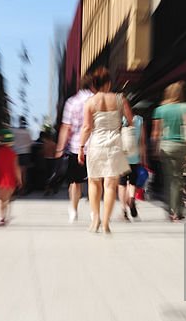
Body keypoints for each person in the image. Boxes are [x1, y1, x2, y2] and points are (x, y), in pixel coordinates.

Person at [78, 67, 132, 233]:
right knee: (110, 185)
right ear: (108, 83)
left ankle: (95, 220)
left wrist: (81, 147)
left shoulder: (90, 102)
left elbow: (87, 127)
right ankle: (107, 222)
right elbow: (130, 121)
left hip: (96, 144)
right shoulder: (120, 99)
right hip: (115, 144)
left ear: (94, 84)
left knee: (94, 182)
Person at [152, 82, 186, 222]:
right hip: (181, 146)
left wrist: (155, 148)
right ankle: (178, 210)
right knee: (178, 179)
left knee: (170, 179)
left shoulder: (160, 110)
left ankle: (173, 210)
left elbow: (156, 132)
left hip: (166, 146)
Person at [55, 73, 95, 222]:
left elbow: (66, 127)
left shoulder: (71, 102)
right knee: (94, 180)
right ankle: (93, 211)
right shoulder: (97, 101)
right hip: (94, 146)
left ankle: (73, 209)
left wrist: (59, 148)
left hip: (75, 147)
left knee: (75, 182)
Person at [118, 104, 147, 221]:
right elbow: (142, 141)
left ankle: (124, 210)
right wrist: (144, 158)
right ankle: (131, 198)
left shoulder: (121, 120)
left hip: (122, 156)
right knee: (132, 182)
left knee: (122, 184)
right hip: (135, 156)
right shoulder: (140, 120)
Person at [0, 129, 21, 225]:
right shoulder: (13, 154)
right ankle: (4, 217)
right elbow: (16, 168)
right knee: (6, 200)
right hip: (10, 181)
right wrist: (19, 179)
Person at [12, 116, 33, 193]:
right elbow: (31, 143)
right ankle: (23, 189)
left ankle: (15, 188)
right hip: (25, 153)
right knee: (24, 172)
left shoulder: (14, 131)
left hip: (16, 152)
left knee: (16, 171)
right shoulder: (28, 132)